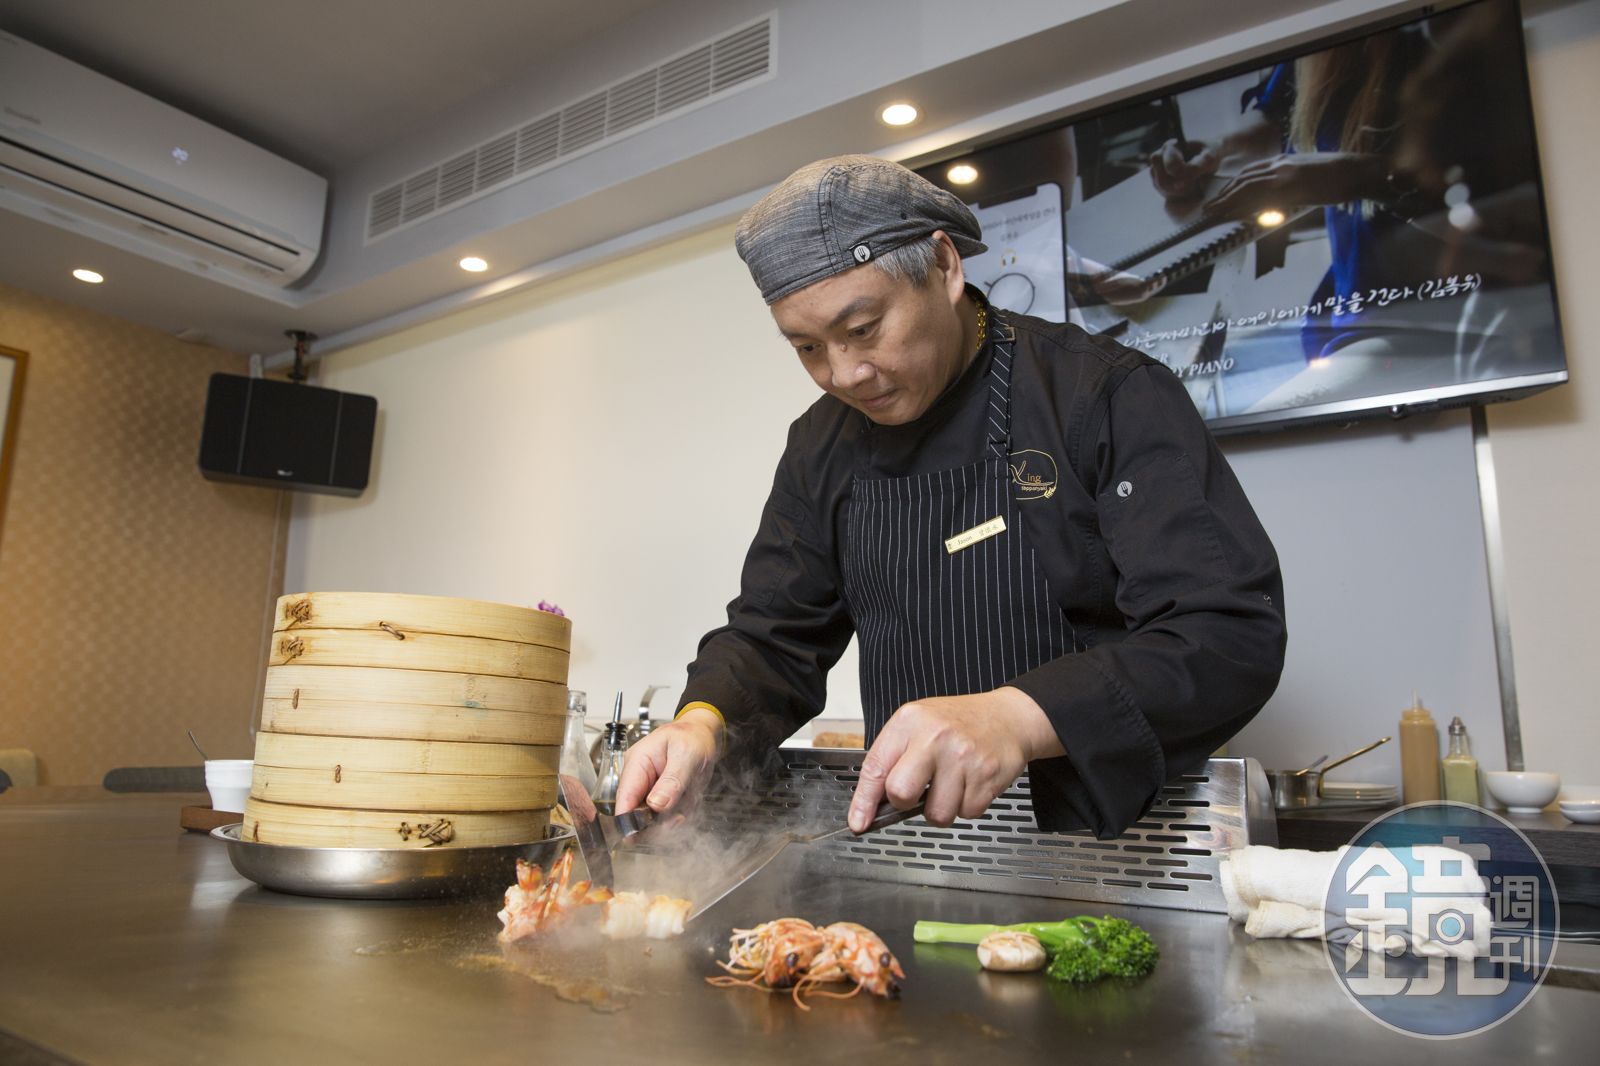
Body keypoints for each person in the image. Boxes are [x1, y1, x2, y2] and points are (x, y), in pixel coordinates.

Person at [615, 155, 1286, 837]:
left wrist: (1015, 717)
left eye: (862, 329)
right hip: (918, 844)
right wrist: (702, 722)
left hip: (1116, 845)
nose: (845, 374)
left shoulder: (1102, 395)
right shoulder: (822, 444)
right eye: (808, 348)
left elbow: (1225, 634)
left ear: (944, 265)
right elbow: (773, 635)